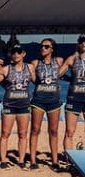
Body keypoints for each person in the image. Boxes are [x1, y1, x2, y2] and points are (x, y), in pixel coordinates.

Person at [0, 44, 35, 169]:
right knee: (5, 133)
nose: (16, 54)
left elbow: (38, 81)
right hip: (9, 104)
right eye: (14, 52)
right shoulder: (6, 69)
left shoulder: (30, 67)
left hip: (24, 104)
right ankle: (3, 160)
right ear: (10, 54)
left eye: (19, 52)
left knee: (23, 134)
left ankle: (21, 160)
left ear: (23, 54)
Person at [29, 38, 64, 170]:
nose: (43, 48)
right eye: (41, 46)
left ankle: (55, 161)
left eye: (46, 46)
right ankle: (33, 160)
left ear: (52, 49)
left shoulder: (59, 61)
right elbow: (32, 79)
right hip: (38, 100)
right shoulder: (35, 63)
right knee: (35, 130)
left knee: (53, 131)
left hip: (54, 101)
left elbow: (72, 64)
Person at [60, 34, 85, 160]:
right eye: (82, 41)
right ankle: (69, 160)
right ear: (78, 43)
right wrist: (69, 79)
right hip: (74, 98)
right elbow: (58, 74)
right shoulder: (72, 59)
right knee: (70, 131)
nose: (84, 43)